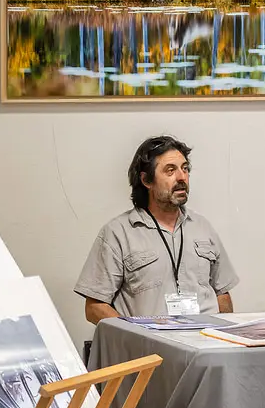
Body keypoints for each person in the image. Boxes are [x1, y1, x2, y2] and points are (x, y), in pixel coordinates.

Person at [76, 135, 238, 323]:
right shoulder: (118, 233)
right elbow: (95, 307)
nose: (181, 177)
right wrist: (136, 336)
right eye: (170, 171)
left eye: (185, 169)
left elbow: (222, 293)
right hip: (149, 347)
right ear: (146, 180)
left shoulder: (203, 228)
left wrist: (225, 338)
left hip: (203, 344)